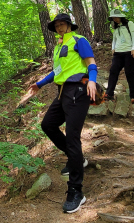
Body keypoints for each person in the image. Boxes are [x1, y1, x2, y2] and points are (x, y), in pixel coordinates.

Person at [28, 13, 97, 214]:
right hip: (62, 92)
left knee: (73, 137)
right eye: (56, 25)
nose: (59, 27)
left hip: (78, 90)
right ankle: (75, 157)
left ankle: (76, 191)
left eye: (62, 24)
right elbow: (56, 71)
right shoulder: (58, 47)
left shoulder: (79, 40)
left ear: (69, 25)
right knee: (47, 124)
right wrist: (40, 84)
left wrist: (92, 80)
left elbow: (91, 62)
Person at [104, 9, 134, 103]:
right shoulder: (115, 27)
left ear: (121, 16)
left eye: (116, 17)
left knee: (129, 73)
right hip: (118, 53)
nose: (115, 19)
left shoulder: (129, 23)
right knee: (113, 71)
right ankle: (109, 93)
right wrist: (113, 48)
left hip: (129, 52)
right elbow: (114, 39)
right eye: (113, 18)